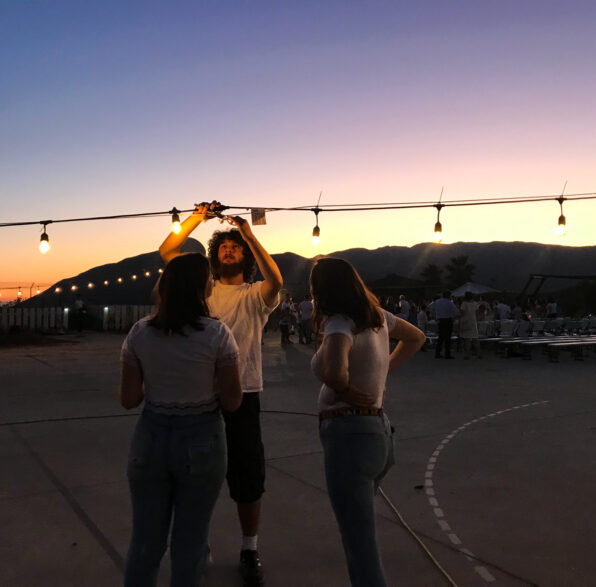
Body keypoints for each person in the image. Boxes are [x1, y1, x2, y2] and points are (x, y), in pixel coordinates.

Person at [159, 203, 282, 586]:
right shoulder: (204, 292)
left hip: (245, 393)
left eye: (236, 247)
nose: (229, 250)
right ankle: (200, 544)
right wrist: (196, 218)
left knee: (248, 476)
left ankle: (250, 547)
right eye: (224, 246)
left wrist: (249, 233)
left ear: (245, 255)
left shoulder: (255, 294)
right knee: (199, 476)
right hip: (202, 396)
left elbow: (275, 280)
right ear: (213, 257)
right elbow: (167, 253)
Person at [119, 253, 243, 586]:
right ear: (201, 287)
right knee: (189, 543)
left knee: (145, 543)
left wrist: (159, 381)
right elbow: (233, 402)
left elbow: (129, 399)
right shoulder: (218, 335)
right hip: (202, 438)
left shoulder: (139, 334)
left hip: (150, 438)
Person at [310, 258, 425, 586]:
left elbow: (334, 372)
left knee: (361, 547)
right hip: (377, 434)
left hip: (349, 437)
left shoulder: (339, 323)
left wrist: (344, 387)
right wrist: (383, 368)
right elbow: (416, 337)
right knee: (358, 531)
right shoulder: (378, 318)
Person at [429, 291, 459, 359]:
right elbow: (457, 312)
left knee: (441, 337)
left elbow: (431, 309)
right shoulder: (450, 303)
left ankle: (437, 353)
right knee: (448, 338)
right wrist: (453, 317)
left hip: (440, 320)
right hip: (448, 320)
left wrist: (435, 316)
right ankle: (447, 354)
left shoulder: (437, 302)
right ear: (449, 296)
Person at [459, 291, 482, 359]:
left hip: (466, 321)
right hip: (473, 321)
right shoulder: (475, 303)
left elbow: (462, 313)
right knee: (475, 338)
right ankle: (479, 353)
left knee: (467, 339)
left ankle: (467, 354)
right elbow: (477, 313)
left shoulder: (464, 303)